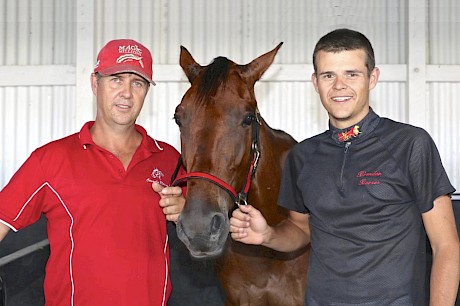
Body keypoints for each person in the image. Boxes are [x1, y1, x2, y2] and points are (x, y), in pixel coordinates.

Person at [230, 28, 459, 306]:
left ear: (372, 78)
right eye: (329, 75)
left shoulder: (410, 144)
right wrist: (268, 235)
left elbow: (446, 246)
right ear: (315, 82)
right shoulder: (301, 156)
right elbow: (301, 230)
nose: (339, 86)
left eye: (352, 74)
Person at [0, 39, 185, 306]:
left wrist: (185, 211)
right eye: (116, 80)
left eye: (137, 83)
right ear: (94, 83)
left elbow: (206, 234)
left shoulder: (169, 160)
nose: (126, 93)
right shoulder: (51, 160)